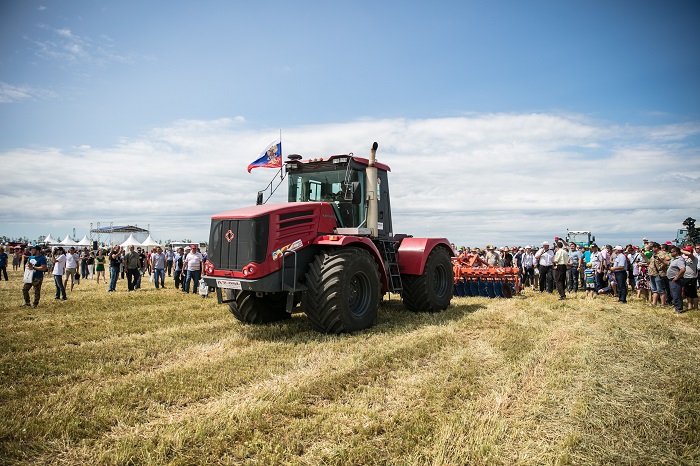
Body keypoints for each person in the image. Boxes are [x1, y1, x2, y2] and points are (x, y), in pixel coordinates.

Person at [666, 246, 686, 313]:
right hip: (671, 279)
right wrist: (660, 259)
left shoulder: (679, 260)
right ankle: (676, 307)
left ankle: (679, 309)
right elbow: (667, 263)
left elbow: (682, 269)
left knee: (676, 294)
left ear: (676, 252)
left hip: (676, 280)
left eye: (671, 252)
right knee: (673, 294)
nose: (670, 253)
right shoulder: (674, 259)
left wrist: (677, 277)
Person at [647, 242, 668, 307]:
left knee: (661, 289)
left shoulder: (662, 253)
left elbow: (667, 261)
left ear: (656, 247)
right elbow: (649, 263)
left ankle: (663, 304)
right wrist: (644, 256)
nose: (652, 249)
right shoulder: (654, 254)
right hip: (652, 273)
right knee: (654, 289)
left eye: (652, 248)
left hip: (659, 274)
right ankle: (654, 303)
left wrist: (662, 266)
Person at [681, 246, 698, 311]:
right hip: (686, 277)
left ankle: (696, 307)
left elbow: (690, 254)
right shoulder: (687, 259)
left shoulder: (693, 258)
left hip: (691, 277)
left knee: (693, 293)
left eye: (686, 251)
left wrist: (681, 250)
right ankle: (690, 306)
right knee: (687, 293)